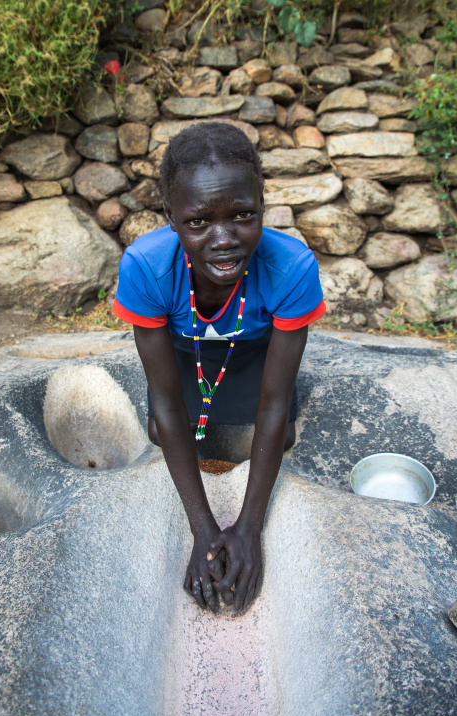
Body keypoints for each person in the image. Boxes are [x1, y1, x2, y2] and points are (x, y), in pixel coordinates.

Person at [113, 122, 326, 616]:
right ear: (170, 216)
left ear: (262, 205)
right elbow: (166, 401)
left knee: (280, 433)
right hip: (185, 355)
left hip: (253, 354)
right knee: (160, 428)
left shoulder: (291, 267)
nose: (224, 239)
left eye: (242, 215)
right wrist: (204, 530)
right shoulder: (145, 266)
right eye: (198, 222)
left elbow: (273, 404)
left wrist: (249, 530)